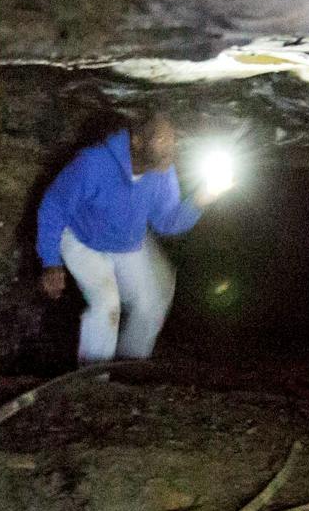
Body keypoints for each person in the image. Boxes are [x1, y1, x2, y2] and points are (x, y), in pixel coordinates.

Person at [35, 108, 216, 364]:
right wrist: (50, 262)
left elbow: (167, 222)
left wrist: (199, 201)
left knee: (153, 301)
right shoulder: (93, 163)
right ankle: (93, 382)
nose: (171, 148)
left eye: (173, 139)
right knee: (107, 306)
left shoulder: (162, 172)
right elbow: (54, 206)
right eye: (163, 139)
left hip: (126, 242)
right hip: (81, 239)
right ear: (137, 140)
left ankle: (130, 370)